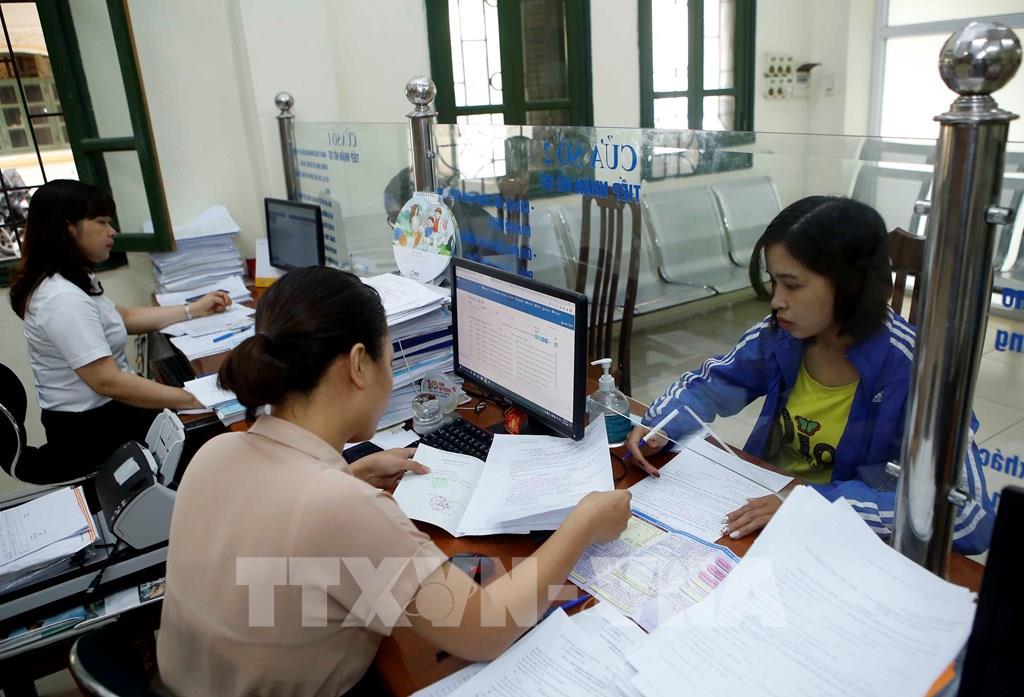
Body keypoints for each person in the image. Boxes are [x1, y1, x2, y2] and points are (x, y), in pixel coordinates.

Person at [157, 267, 631, 696]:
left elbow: (280, 523)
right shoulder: (342, 509)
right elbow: (483, 630)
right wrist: (584, 522)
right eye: (390, 356)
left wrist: (348, 474)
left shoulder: (215, 452)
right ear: (358, 364)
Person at [626, 195, 994, 555]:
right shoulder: (780, 336)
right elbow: (712, 384)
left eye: (792, 285)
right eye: (774, 283)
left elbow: (970, 516)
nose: (776, 300)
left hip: (840, 542)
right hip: (760, 511)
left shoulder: (917, 372)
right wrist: (661, 424)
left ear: (852, 285)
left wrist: (810, 502)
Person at [8, 180, 231, 481]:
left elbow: (122, 317)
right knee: (214, 435)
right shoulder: (60, 298)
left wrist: (194, 309)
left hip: (106, 415)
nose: (112, 231)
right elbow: (108, 382)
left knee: (204, 417)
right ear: (68, 228)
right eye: (102, 222)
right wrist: (193, 399)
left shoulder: (71, 278)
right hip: (92, 433)